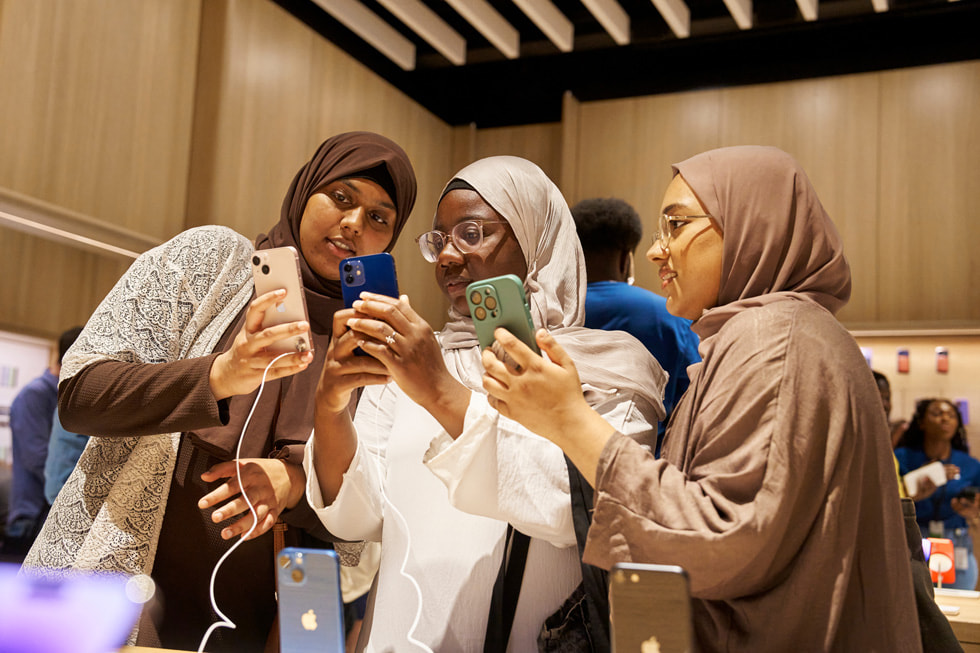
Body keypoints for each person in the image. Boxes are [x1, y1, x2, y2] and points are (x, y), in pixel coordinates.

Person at [480, 146, 920, 651]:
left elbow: (722, 536)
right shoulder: (775, 333)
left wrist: (569, 418)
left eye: (676, 224)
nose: (655, 251)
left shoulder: (773, 338)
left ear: (752, 225)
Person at [22, 132, 417, 652]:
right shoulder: (210, 262)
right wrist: (220, 375)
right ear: (305, 192)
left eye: (379, 217)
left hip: (285, 614)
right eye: (341, 197)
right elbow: (81, 397)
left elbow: (373, 513)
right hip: (130, 584)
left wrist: (296, 484)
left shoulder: (372, 340)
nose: (354, 223)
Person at [305, 155, 666, 651]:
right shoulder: (417, 358)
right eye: (439, 240)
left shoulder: (609, 369)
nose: (447, 257)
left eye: (472, 234)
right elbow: (355, 518)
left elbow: (580, 512)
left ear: (537, 238)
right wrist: (329, 407)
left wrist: (439, 390)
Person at [571, 197, 700, 454]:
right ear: (625, 258)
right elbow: (692, 403)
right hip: (644, 461)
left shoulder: (553, 313)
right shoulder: (673, 317)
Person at [3, 326, 81, 558]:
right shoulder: (35, 394)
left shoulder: (60, 394)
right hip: (31, 516)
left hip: (46, 513)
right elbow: (36, 457)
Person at [896, 398, 980, 590]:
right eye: (937, 414)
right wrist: (918, 484)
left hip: (956, 544)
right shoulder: (902, 457)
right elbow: (888, 498)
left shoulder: (970, 464)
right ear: (922, 422)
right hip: (914, 541)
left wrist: (973, 512)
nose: (945, 419)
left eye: (951, 415)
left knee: (958, 603)